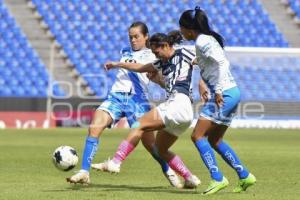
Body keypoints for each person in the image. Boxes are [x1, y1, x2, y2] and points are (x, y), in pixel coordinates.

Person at [67, 22, 182, 188]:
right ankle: (84, 172)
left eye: (136, 37)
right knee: (94, 127)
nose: (133, 40)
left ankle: (168, 170)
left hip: (138, 100)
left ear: (146, 37)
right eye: (130, 37)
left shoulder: (154, 55)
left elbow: (162, 81)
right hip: (117, 96)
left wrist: (159, 80)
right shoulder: (125, 51)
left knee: (151, 145)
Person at [103, 31, 201, 188]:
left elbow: (203, 63)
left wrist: (204, 84)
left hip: (178, 103)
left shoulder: (184, 52)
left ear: (165, 45)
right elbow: (140, 67)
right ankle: (190, 178)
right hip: (185, 113)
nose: (156, 56)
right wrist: (118, 64)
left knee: (138, 125)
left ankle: (116, 161)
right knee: (160, 149)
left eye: (157, 52)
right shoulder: (160, 63)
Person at [179, 7, 256, 195]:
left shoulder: (202, 40)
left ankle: (217, 178)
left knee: (197, 136)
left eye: (181, 28)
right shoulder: (207, 39)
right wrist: (200, 61)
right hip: (233, 91)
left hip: (224, 93)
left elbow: (222, 62)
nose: (180, 32)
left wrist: (219, 90)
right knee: (215, 139)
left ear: (189, 29)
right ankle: (244, 175)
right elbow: (214, 61)